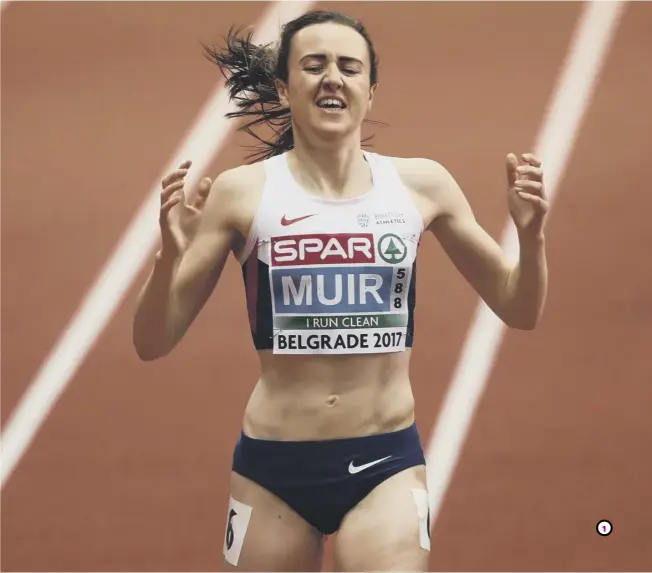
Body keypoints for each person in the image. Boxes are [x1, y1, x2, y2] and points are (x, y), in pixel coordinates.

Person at [132, 9, 548, 572]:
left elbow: (517, 306)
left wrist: (530, 234)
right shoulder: (241, 193)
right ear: (284, 87)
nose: (333, 77)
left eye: (349, 66)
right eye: (314, 64)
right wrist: (169, 258)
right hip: (272, 472)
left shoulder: (421, 185)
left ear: (370, 92)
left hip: (386, 462)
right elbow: (152, 341)